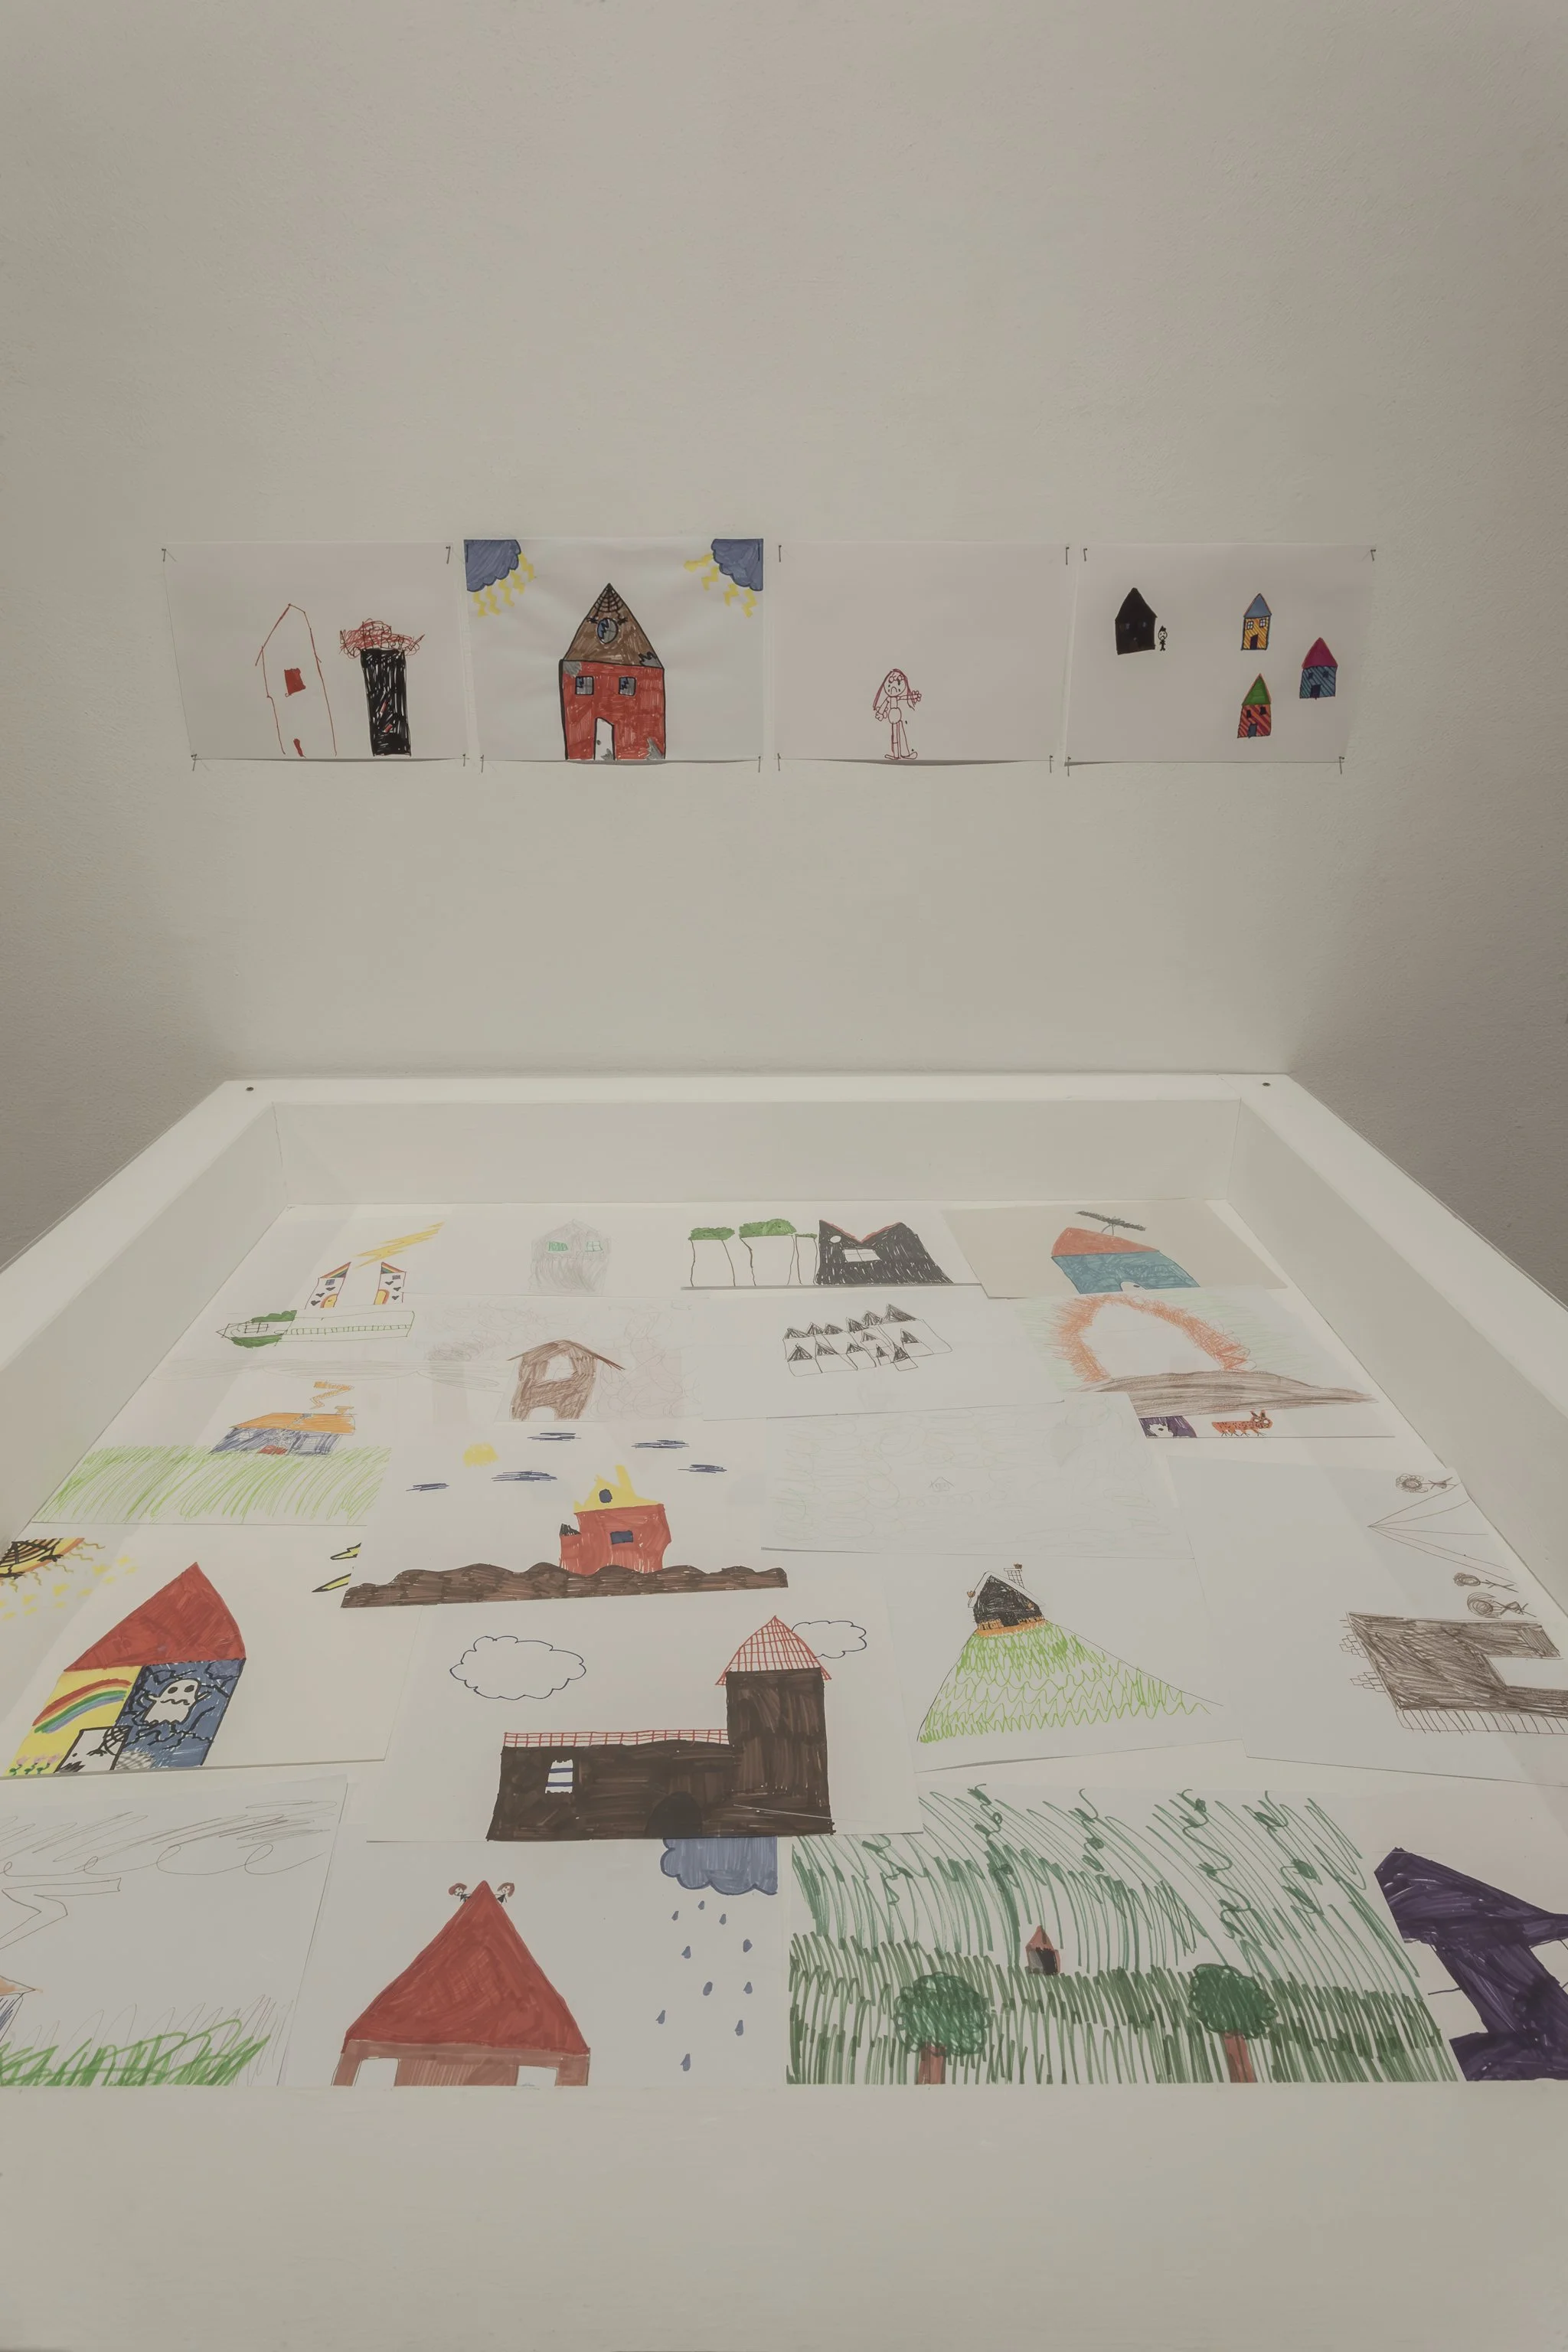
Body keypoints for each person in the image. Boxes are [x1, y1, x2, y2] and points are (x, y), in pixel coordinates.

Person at [873, 669, 921, 762]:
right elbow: (884, 705)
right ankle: (896, 754)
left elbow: (905, 697)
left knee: (900, 734)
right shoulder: (889, 699)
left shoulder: (897, 697)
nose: (893, 688)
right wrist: (880, 713)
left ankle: (904, 753)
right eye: (890, 685)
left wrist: (913, 697)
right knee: (895, 735)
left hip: (897, 717)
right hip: (893, 717)